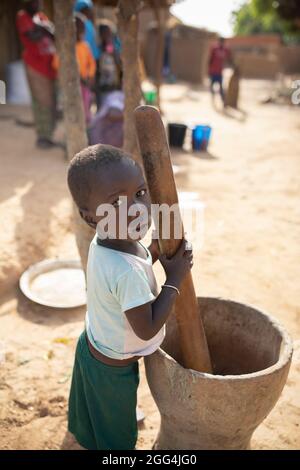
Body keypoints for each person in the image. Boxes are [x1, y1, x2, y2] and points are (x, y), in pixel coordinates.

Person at [67, 144, 193, 450]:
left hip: (95, 345)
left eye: (139, 193)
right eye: (116, 203)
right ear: (90, 217)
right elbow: (147, 328)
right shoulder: (125, 270)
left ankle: (90, 428)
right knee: (118, 439)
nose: (136, 208)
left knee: (89, 409)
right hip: (112, 370)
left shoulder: (112, 240)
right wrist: (174, 279)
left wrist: (154, 254)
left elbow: (131, 269)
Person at [16, 0, 57, 149]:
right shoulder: (23, 16)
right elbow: (33, 36)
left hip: (50, 66)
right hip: (35, 65)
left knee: (51, 101)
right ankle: (43, 136)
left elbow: (54, 34)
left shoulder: (41, 16)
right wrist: (44, 29)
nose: (37, 3)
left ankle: (48, 134)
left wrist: (43, 29)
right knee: (41, 102)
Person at [52, 14, 96, 124]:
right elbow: (56, 64)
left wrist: (90, 76)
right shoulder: (64, 47)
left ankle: (86, 132)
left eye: (82, 27)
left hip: (84, 84)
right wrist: (69, 74)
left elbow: (92, 64)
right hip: (68, 84)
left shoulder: (85, 46)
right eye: (79, 26)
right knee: (70, 109)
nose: (81, 29)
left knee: (85, 106)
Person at [208, 37, 231, 105]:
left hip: (219, 72)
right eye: (220, 42)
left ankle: (223, 102)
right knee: (212, 87)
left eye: (223, 42)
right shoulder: (214, 49)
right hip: (213, 71)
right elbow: (210, 59)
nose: (221, 43)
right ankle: (213, 100)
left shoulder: (225, 50)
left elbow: (229, 58)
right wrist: (209, 70)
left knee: (221, 88)